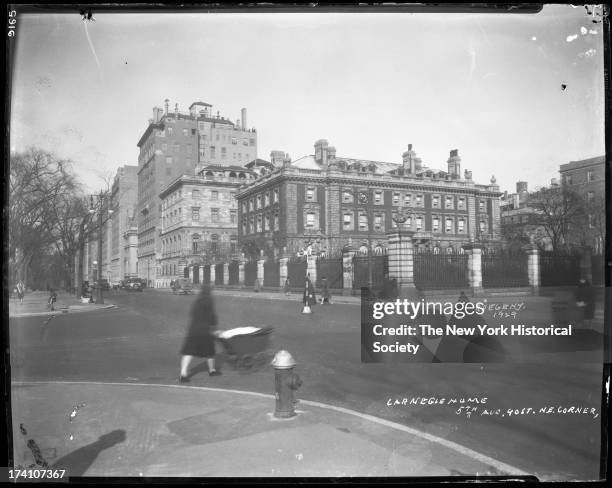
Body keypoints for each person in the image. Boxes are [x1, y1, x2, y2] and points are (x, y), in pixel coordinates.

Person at [179, 284, 221, 382]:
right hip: (205, 330)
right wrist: (215, 327)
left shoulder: (197, 301)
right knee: (209, 351)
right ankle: (212, 370)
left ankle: (183, 373)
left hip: (193, 329)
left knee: (189, 351)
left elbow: (192, 313)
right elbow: (212, 316)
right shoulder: (209, 300)